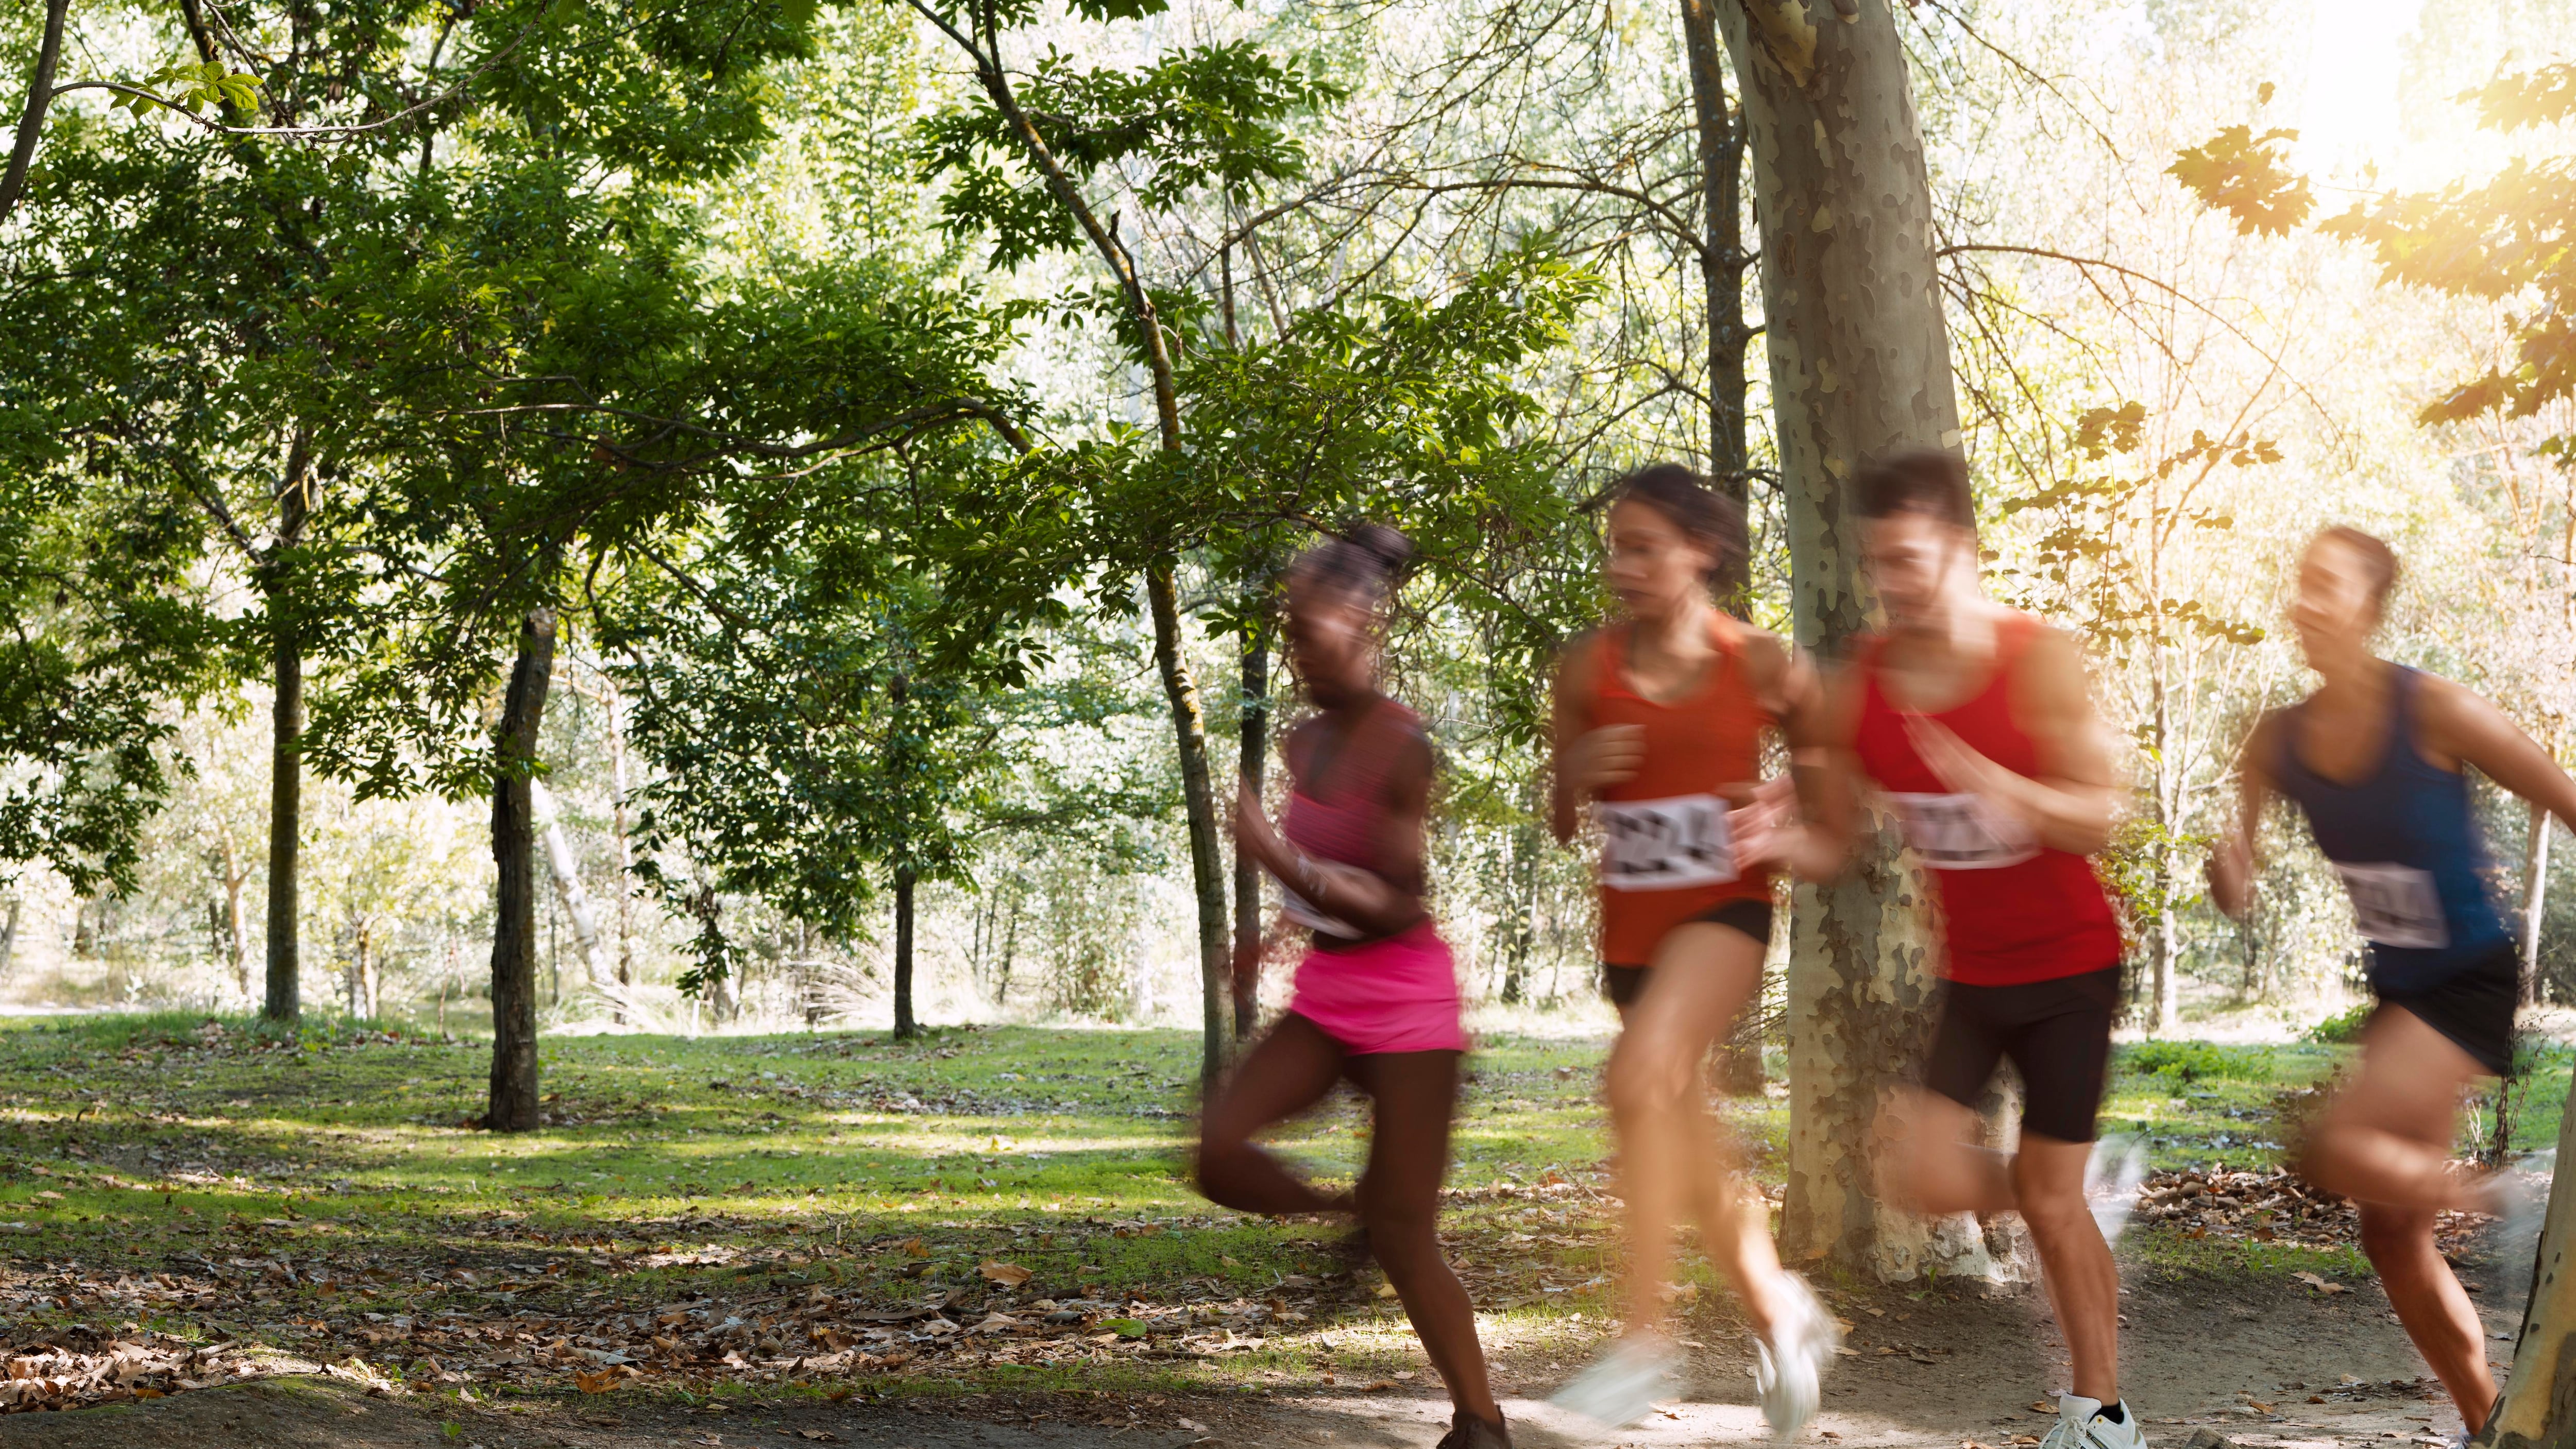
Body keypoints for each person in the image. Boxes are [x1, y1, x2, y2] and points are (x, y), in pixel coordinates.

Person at [1744, 448, 2148, 1449]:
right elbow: (1833, 842)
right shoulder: (1865, 688)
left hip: (2068, 969)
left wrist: (2005, 787)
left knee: (2047, 1207)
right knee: (1917, 1178)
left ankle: (2099, 1418)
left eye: (1912, 560)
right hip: (1971, 975)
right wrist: (1767, 838)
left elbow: (2101, 814)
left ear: (1960, 549)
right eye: (1879, 565)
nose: (1894, 584)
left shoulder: (2032, 657)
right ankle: (2078, 1190)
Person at [2208, 526, 2576, 1439]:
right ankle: (2494, 1425)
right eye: (2300, 582)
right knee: (2392, 1237)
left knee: (2327, 1143)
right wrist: (2233, 867)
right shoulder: (2277, 738)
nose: (2306, 599)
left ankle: (2507, 1194)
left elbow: (2563, 794)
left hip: (2467, 978)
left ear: (2368, 609)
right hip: (2403, 989)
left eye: (2327, 585)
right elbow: (2238, 857)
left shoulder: (2435, 711)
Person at [1545, 463, 1841, 1440]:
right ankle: (1781, 1311)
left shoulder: (1759, 663)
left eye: (1642, 547)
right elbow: (1561, 815)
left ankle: (1642, 1346)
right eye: (1614, 548)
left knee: (1635, 1082)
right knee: (1685, 1142)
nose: (1620, 566)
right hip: (1632, 934)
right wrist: (1576, 771)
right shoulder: (1584, 668)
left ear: (1700, 551)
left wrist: (1785, 829)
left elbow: (1839, 815)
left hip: (1724, 917)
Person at [1196, 525, 1509, 1449]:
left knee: (1411, 1236)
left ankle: (1483, 1425)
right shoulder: (1302, 742)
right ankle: (1351, 1212)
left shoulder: (1401, 744)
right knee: (1218, 1150)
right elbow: (1327, 880)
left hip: (1410, 1004)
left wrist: (1279, 856)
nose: (1296, 651)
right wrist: (1272, 938)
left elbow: (1391, 898)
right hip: (1331, 996)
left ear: (1362, 623)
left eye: (1310, 632)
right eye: (1289, 633)